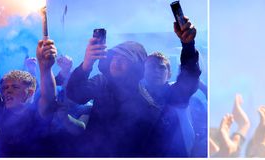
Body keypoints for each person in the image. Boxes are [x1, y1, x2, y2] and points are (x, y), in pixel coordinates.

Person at [65, 37, 159, 156]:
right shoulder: (102, 81)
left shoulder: (146, 105)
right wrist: (86, 64)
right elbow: (74, 94)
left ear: (136, 67)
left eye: (124, 59)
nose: (116, 62)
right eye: (115, 57)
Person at [143, 18, 201, 157]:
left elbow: (190, 75)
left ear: (169, 74)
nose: (156, 71)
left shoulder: (176, 95)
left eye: (161, 68)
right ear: (143, 72)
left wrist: (188, 45)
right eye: (151, 67)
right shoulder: (135, 96)